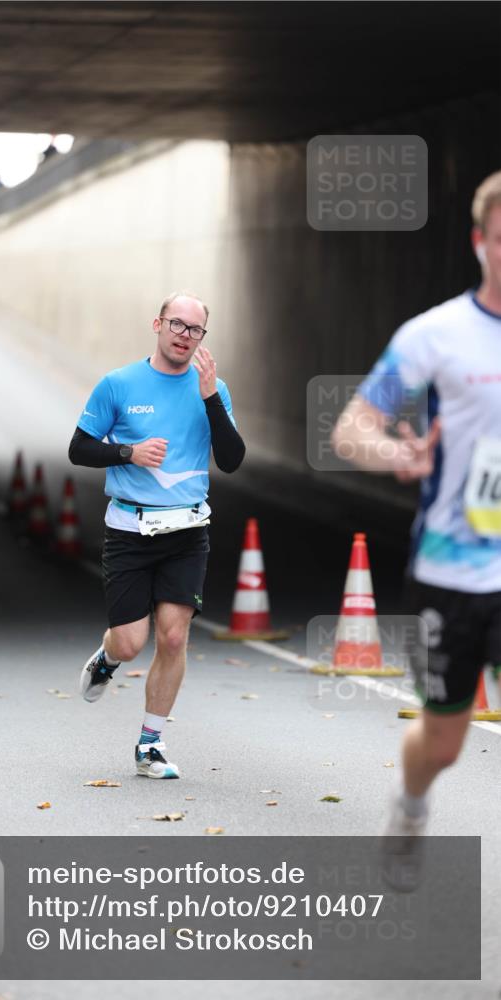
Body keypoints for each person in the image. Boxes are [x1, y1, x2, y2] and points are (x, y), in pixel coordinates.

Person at [332, 171, 501, 841]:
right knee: (442, 741)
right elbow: (350, 430)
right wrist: (396, 455)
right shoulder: (434, 335)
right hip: (451, 572)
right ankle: (410, 802)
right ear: (479, 243)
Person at [68, 292, 245, 779]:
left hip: (187, 531)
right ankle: (108, 659)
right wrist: (129, 453)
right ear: (158, 325)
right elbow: (79, 449)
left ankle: (150, 746)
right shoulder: (119, 384)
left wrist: (211, 399)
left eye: (195, 330)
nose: (185, 336)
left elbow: (232, 460)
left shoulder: (213, 389)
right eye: (177, 325)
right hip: (129, 530)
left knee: (172, 636)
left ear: (203, 337)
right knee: (131, 643)